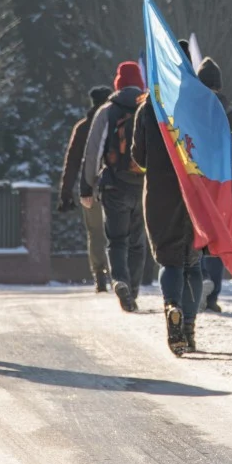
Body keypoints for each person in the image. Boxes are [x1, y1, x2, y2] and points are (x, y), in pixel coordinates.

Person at [132, 51, 203, 356]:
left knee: (169, 260)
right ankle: (188, 326)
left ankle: (171, 307)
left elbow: (138, 155)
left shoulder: (149, 104)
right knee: (193, 262)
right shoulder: (201, 101)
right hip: (196, 191)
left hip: (160, 193)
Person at [81, 62, 147, 312]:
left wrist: (87, 187)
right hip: (143, 187)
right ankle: (135, 289)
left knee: (117, 240)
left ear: (117, 84)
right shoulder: (149, 107)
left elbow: (93, 150)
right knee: (138, 242)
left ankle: (120, 280)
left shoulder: (108, 110)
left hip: (114, 186)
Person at [195, 57, 232, 314]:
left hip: (197, 184)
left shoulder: (189, 111)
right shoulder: (230, 115)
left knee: (198, 235)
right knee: (218, 236)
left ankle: (199, 281)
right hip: (223, 186)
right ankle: (213, 294)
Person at [58, 86, 114, 292]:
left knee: (95, 231)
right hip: (115, 184)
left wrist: (66, 193)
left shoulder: (83, 127)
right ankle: (118, 273)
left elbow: (72, 162)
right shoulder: (115, 121)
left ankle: (99, 275)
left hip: (89, 186)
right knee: (117, 230)